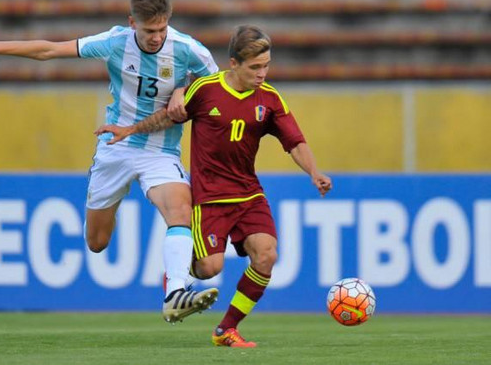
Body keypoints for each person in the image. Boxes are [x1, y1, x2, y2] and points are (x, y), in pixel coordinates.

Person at [0, 0, 220, 323]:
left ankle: (175, 292)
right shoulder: (114, 42)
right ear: (132, 23)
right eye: (150, 30)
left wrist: (185, 86)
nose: (156, 37)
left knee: (180, 210)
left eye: (162, 29)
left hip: (160, 150)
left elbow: (217, 90)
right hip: (115, 149)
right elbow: (49, 50)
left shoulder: (189, 50)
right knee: (97, 242)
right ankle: (128, 217)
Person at [95, 25, 332, 347]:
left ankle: (226, 330)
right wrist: (131, 129)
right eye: (255, 67)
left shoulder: (271, 99)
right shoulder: (206, 89)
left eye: (266, 66)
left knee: (266, 255)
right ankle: (177, 277)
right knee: (208, 268)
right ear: (233, 63)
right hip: (210, 199)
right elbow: (168, 117)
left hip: (249, 194)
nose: (262, 74)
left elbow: (295, 142)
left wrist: (314, 172)